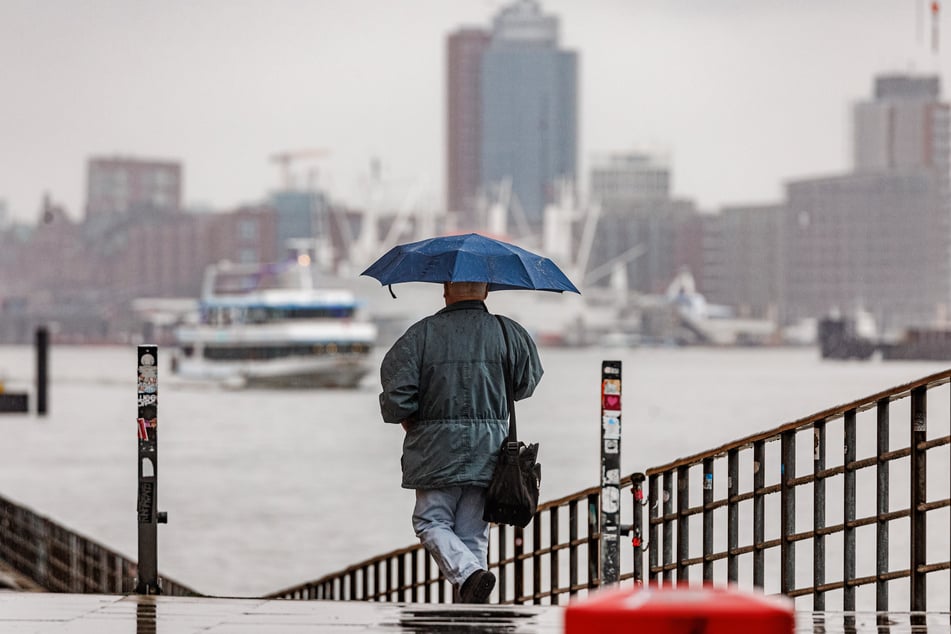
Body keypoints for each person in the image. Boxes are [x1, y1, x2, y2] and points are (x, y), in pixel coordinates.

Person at [379, 281, 543, 604]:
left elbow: (396, 398)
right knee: (473, 536)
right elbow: (526, 383)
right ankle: (474, 612)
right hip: (491, 456)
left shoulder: (419, 337)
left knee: (430, 521)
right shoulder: (509, 334)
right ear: (486, 292)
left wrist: (413, 423)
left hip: (433, 454)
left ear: (445, 289)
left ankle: (468, 576)